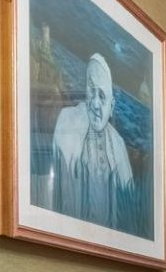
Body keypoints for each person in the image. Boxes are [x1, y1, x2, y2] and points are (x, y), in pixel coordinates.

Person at [48, 53, 132, 227]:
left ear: (112, 106)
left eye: (101, 96)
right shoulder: (67, 121)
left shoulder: (118, 145)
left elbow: (128, 206)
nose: (95, 103)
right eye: (91, 91)